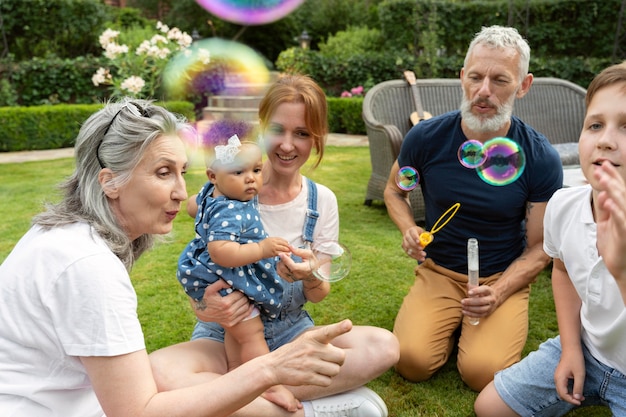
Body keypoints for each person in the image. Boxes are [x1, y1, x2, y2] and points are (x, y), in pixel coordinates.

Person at [0, 97, 355, 417]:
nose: (182, 193)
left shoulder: (63, 240)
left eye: (183, 172)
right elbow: (138, 412)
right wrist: (271, 368)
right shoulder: (86, 267)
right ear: (110, 182)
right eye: (163, 172)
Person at [149, 74, 399, 417]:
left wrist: (308, 274)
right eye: (278, 130)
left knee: (382, 346)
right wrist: (204, 307)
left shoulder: (320, 201)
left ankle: (236, 398)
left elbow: (319, 291)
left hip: (290, 333)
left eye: (302, 134)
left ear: (317, 138)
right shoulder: (227, 187)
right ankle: (304, 410)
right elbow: (198, 236)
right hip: (223, 335)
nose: (286, 145)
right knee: (159, 374)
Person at [383, 25, 563, 391]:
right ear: (462, 77)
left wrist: (498, 292)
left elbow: (539, 250)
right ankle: (446, 325)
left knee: (483, 373)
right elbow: (393, 191)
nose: (484, 91)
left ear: (523, 86)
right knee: (411, 362)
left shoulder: (540, 156)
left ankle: (474, 328)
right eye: (476, 77)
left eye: (500, 80)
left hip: (499, 277)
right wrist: (407, 228)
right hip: (439, 271)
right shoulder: (426, 137)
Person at [474, 62, 626, 416]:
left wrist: (620, 273)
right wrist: (572, 348)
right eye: (595, 125)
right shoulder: (564, 204)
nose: (605, 139)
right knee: (490, 408)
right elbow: (562, 271)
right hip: (589, 349)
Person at [177, 135, 298, 410]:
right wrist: (261, 248)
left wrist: (207, 198)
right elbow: (222, 252)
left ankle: (234, 374)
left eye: (256, 170)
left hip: (210, 271)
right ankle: (272, 386)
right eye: (239, 172)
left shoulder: (213, 192)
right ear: (213, 175)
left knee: (236, 331)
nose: (251, 179)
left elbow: (192, 206)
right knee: (252, 332)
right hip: (220, 272)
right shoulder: (229, 209)